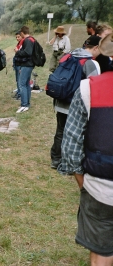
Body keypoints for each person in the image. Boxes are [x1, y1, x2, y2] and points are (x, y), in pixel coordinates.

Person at [58, 33, 113, 266]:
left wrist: (85, 185)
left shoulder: (89, 89)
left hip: (100, 189)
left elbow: (70, 149)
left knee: (102, 252)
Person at [50, 35, 101, 169]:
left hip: (60, 100)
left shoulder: (69, 56)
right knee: (76, 133)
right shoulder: (90, 62)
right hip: (76, 104)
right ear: (96, 47)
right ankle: (71, 162)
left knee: (60, 130)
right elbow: (94, 85)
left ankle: (55, 159)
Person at [14, 26, 35, 113]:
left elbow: (27, 53)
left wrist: (17, 52)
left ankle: (24, 105)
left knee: (22, 84)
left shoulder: (27, 40)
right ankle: (27, 104)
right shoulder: (32, 39)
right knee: (26, 84)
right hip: (29, 65)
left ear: (22, 33)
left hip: (27, 65)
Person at [12, 31, 24, 100]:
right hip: (16, 64)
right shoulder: (18, 43)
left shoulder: (23, 43)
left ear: (22, 36)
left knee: (20, 80)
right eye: (16, 37)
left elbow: (21, 54)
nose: (17, 38)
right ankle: (18, 92)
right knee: (17, 79)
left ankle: (20, 95)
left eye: (18, 37)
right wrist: (14, 62)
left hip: (20, 65)